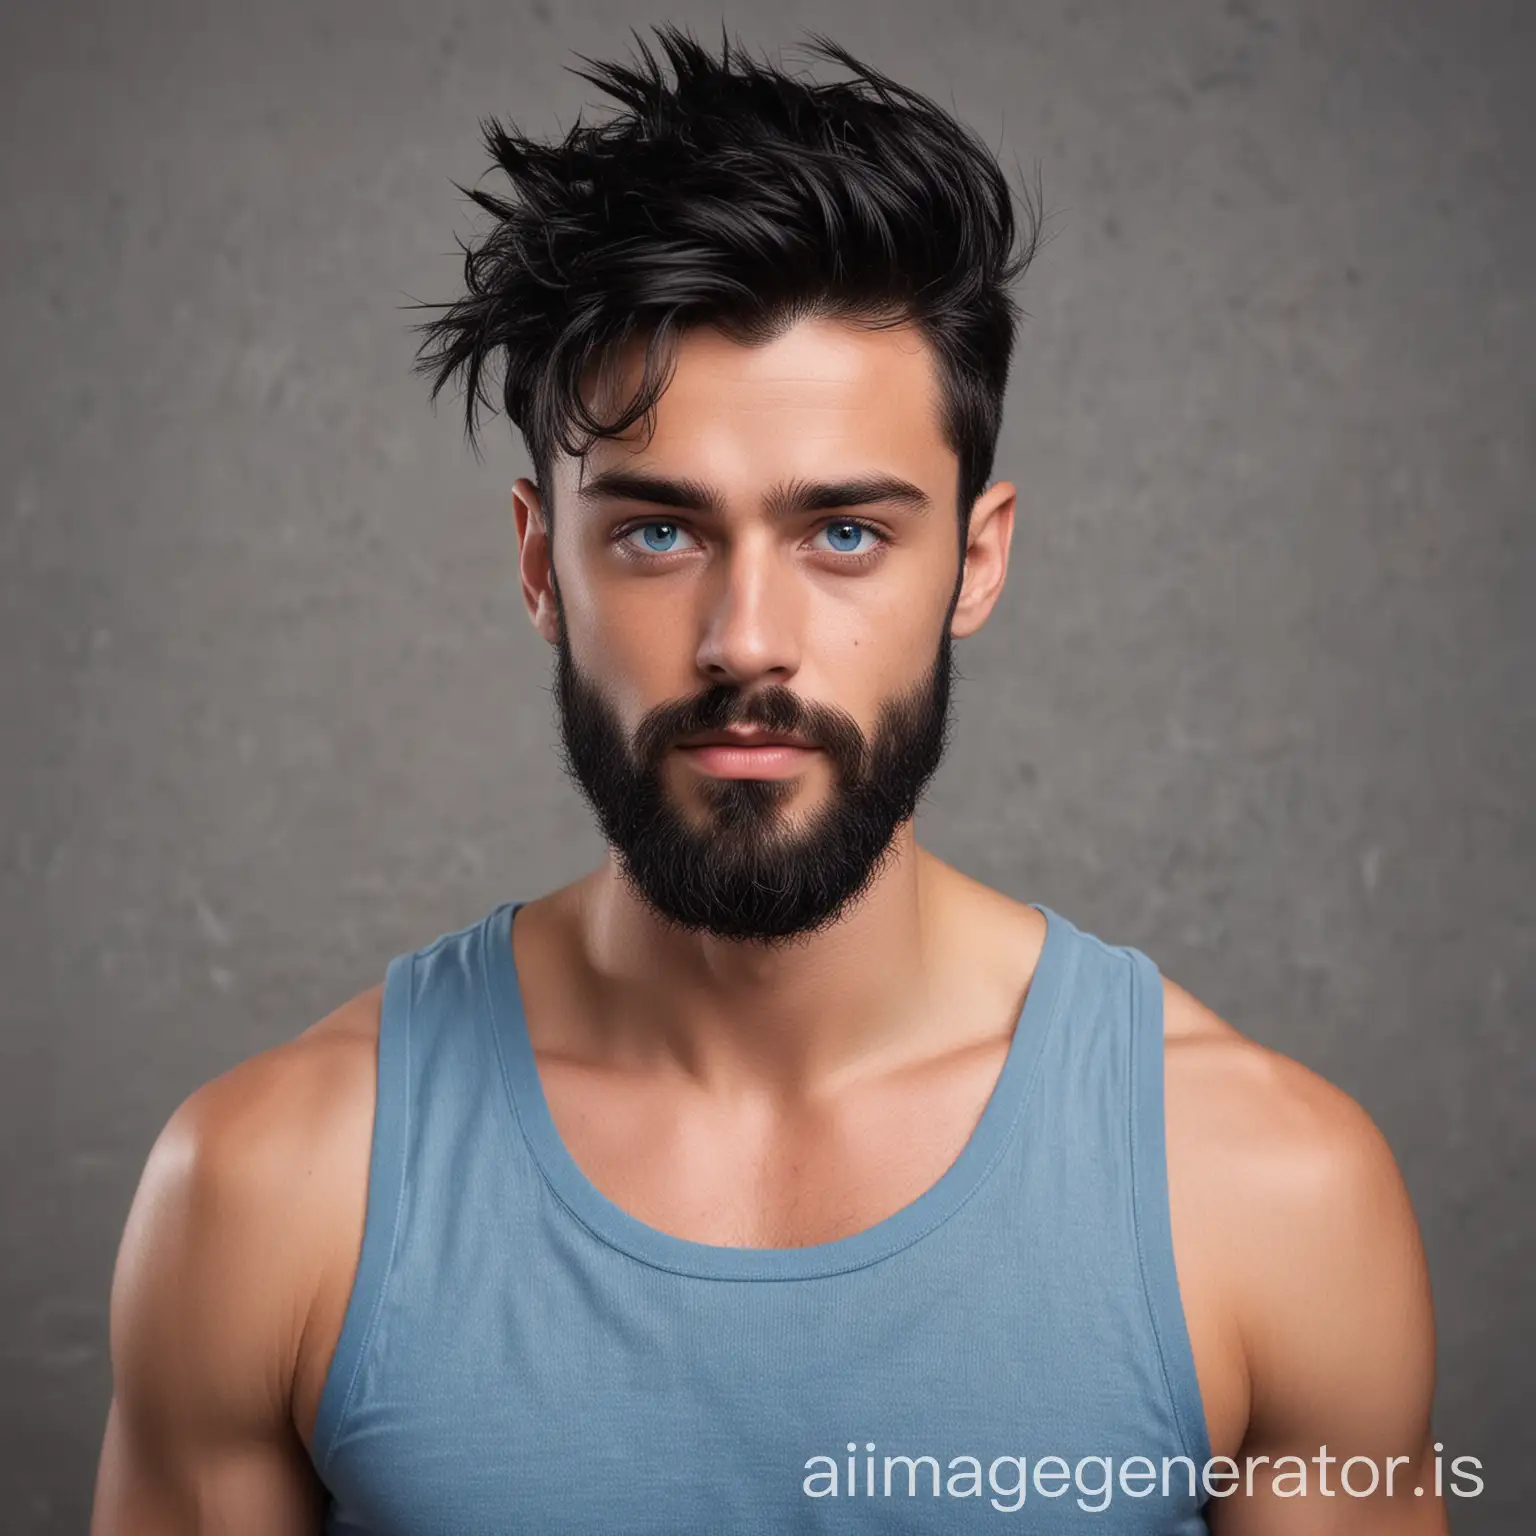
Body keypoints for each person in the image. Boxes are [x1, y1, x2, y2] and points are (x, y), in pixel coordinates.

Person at [91, 26, 1446, 1534]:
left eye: (845, 534)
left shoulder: (1269, 1194)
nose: (748, 642)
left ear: (976, 560)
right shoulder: (272, 1185)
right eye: (659, 532)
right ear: (545, 564)